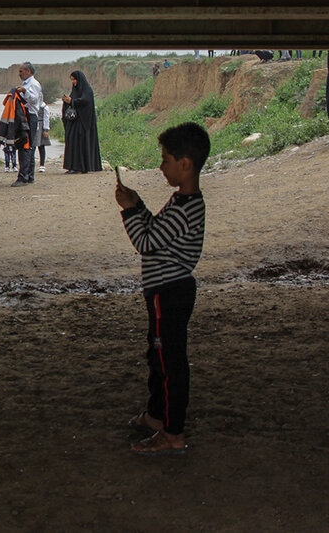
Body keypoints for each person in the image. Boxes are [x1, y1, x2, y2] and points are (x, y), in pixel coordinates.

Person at [116, 122, 209, 455]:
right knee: (159, 356)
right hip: (167, 292)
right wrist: (139, 205)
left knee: (169, 363)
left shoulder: (185, 208)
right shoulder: (183, 202)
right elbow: (155, 229)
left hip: (169, 293)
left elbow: (145, 241)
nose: (161, 166)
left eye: (166, 160)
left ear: (185, 164)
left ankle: (172, 433)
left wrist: (129, 211)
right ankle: (158, 417)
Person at [62, 70, 103, 174]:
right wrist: (67, 101)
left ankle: (80, 167)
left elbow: (85, 101)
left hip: (83, 122)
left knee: (80, 143)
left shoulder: (87, 90)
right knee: (71, 141)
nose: (74, 82)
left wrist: (72, 101)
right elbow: (73, 100)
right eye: (72, 80)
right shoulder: (75, 90)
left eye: (74, 79)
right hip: (74, 122)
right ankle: (73, 166)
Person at [11, 62, 42, 187]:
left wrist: (24, 91)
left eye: (21, 71)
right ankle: (29, 176)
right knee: (29, 146)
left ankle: (23, 177)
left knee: (26, 145)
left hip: (30, 116)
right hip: (28, 116)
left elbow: (34, 99)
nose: (19, 74)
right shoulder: (28, 84)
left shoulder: (33, 84)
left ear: (28, 71)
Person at [37, 100, 51, 173]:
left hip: (41, 125)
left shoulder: (44, 106)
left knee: (41, 146)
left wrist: (46, 130)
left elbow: (46, 118)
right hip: (33, 124)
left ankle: (42, 165)